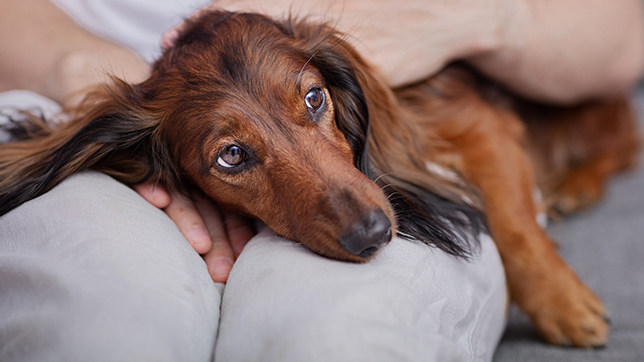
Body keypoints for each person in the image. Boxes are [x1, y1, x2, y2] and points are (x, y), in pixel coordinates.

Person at [0, 1, 642, 361]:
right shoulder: (131, 130)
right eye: (235, 155)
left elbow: (622, 38)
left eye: (312, 104)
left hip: (393, 147)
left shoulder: (354, 87)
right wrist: (76, 63)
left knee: (337, 336)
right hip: (98, 112)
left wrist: (465, 19)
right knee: (94, 326)